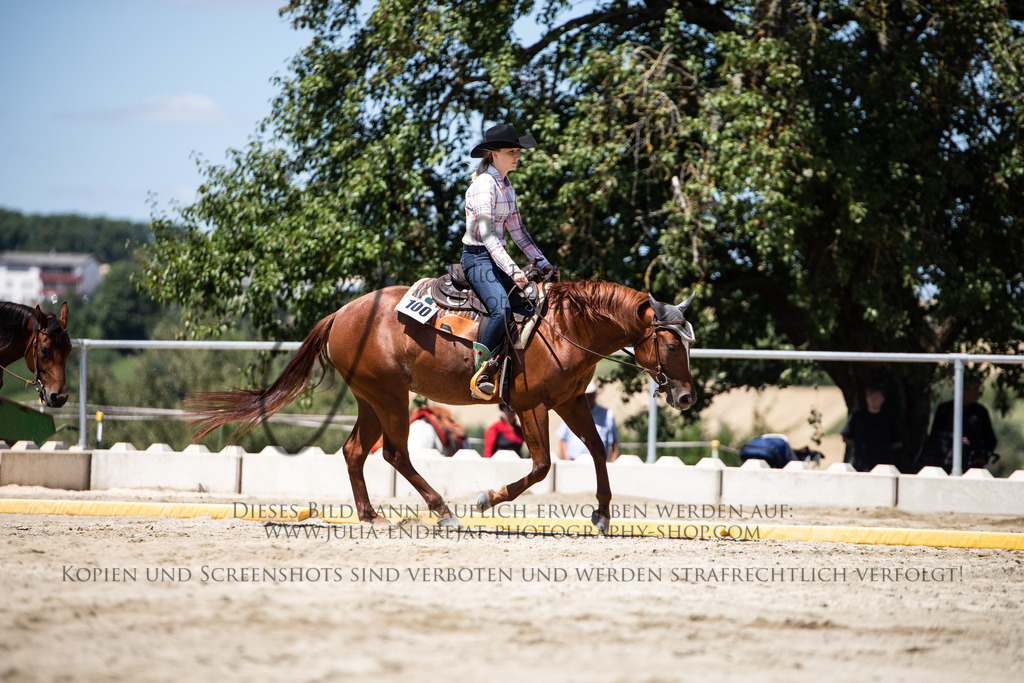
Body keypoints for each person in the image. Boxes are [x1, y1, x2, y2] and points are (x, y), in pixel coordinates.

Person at [463, 123, 556, 399]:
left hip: (495, 259)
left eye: (517, 151)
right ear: (494, 155)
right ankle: (484, 371)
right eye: (511, 151)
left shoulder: (506, 185)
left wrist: (543, 263)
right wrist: (514, 270)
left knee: (534, 304)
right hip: (477, 259)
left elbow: (518, 232)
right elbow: (489, 236)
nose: (517, 156)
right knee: (501, 310)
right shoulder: (483, 186)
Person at [919, 378, 997, 472]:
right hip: (944, 462)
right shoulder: (944, 409)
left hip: (972, 464)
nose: (978, 392)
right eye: (975, 389)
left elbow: (990, 439)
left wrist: (983, 457)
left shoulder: (980, 412)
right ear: (964, 390)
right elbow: (936, 435)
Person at [841, 387, 902, 472]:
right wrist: (860, 445)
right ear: (866, 399)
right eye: (870, 397)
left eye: (876, 397)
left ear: (882, 399)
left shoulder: (888, 419)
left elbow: (897, 442)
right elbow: (846, 437)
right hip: (860, 466)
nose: (873, 400)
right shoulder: (857, 417)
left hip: (883, 466)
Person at [557, 381, 620, 462]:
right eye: (585, 395)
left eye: (590, 395)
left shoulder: (607, 414)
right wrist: (568, 461)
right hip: (574, 462)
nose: (587, 398)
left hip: (598, 463)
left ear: (595, 394)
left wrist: (613, 463)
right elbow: (563, 439)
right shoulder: (571, 412)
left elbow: (615, 442)